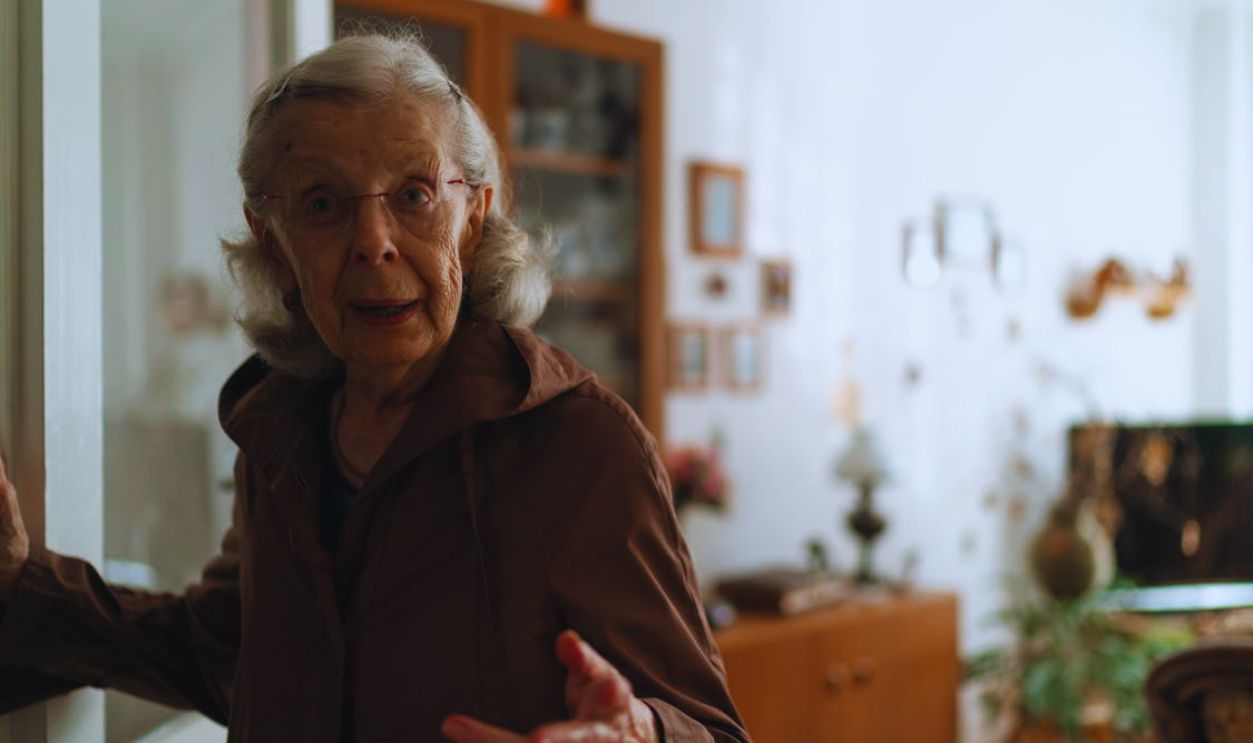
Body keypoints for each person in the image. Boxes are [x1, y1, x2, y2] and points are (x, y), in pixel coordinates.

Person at [0, 33, 750, 743]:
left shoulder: (580, 443)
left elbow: (707, 727)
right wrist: (24, 581)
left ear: (472, 216)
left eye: (415, 194)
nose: (374, 241)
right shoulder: (282, 430)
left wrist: (640, 732)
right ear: (272, 240)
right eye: (322, 204)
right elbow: (232, 651)